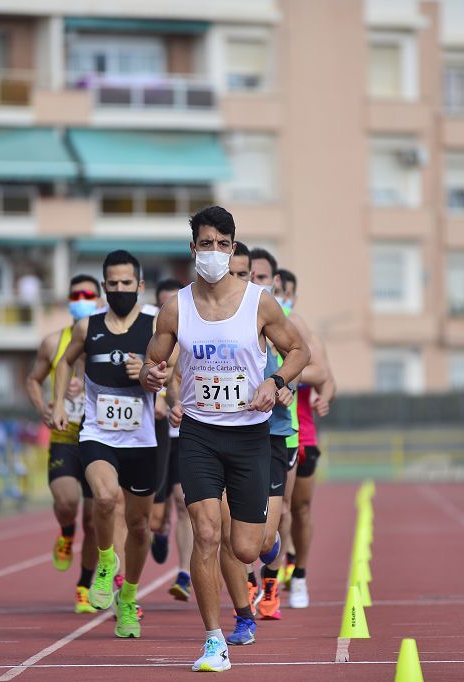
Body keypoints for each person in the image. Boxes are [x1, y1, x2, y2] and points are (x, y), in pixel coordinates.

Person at [139, 206, 310, 672]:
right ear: (192, 248)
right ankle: (214, 640)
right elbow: (154, 364)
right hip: (198, 434)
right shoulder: (177, 307)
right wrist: (151, 378)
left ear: (232, 248)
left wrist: (275, 384)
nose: (213, 252)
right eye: (205, 243)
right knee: (207, 533)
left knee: (247, 548)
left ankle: (270, 548)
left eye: (222, 244)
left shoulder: (260, 302)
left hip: (251, 436)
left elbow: (298, 350)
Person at [51, 250, 160, 639]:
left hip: (142, 438)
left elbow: (172, 369)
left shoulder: (155, 324)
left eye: (126, 284)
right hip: (98, 433)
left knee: (140, 526)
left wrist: (148, 372)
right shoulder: (89, 327)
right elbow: (65, 362)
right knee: (104, 498)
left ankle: (128, 597)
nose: (119, 290)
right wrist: (62, 402)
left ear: (140, 286)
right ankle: (104, 560)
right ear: (103, 287)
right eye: (112, 284)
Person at [25, 275, 101, 614]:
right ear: (68, 300)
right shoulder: (52, 342)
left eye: (89, 294)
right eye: (76, 294)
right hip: (64, 438)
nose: (82, 298)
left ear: (99, 300)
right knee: (68, 502)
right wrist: (45, 407)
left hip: (98, 437)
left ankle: (84, 585)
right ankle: (65, 530)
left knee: (95, 521)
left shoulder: (105, 339)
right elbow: (32, 380)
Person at [275, 268, 336, 609]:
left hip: (303, 434)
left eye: (286, 292)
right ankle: (270, 574)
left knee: (299, 507)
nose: (281, 296)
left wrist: (319, 393)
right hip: (264, 430)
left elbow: (326, 375)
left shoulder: (304, 332)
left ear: (294, 297)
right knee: (275, 510)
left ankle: (298, 574)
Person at [148, 278, 195, 602]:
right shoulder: (153, 344)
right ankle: (159, 530)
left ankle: (183, 574)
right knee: (155, 513)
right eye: (164, 304)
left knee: (184, 502)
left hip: (185, 434)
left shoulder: (193, 340)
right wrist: (156, 402)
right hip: (153, 435)